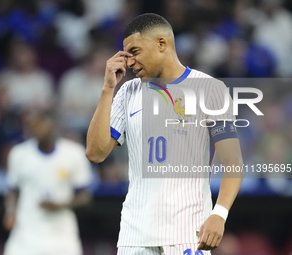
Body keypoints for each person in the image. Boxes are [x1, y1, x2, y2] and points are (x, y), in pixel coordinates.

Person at [86, 13, 244, 255]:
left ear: (162, 44)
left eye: (135, 51)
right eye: (126, 55)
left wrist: (219, 214)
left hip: (188, 233)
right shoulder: (127, 92)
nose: (129, 62)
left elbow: (233, 162)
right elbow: (95, 153)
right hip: (134, 236)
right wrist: (108, 89)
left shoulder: (211, 89)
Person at [3, 110, 92, 255]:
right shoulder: (19, 154)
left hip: (63, 236)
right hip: (26, 233)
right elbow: (12, 190)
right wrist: (10, 212)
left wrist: (61, 205)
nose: (34, 128)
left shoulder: (74, 153)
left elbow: (85, 196)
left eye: (39, 125)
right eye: (32, 125)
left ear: (52, 126)